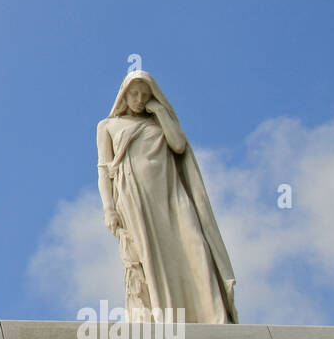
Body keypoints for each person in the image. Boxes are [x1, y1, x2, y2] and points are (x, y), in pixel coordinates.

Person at [96, 71, 238, 323]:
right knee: (152, 256)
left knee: (194, 244)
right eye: (134, 93)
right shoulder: (108, 126)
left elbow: (179, 145)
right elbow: (104, 170)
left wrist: (161, 112)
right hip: (136, 196)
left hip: (171, 193)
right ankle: (165, 317)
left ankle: (211, 315)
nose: (139, 99)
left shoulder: (159, 123)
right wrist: (109, 208)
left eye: (145, 94)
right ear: (124, 95)